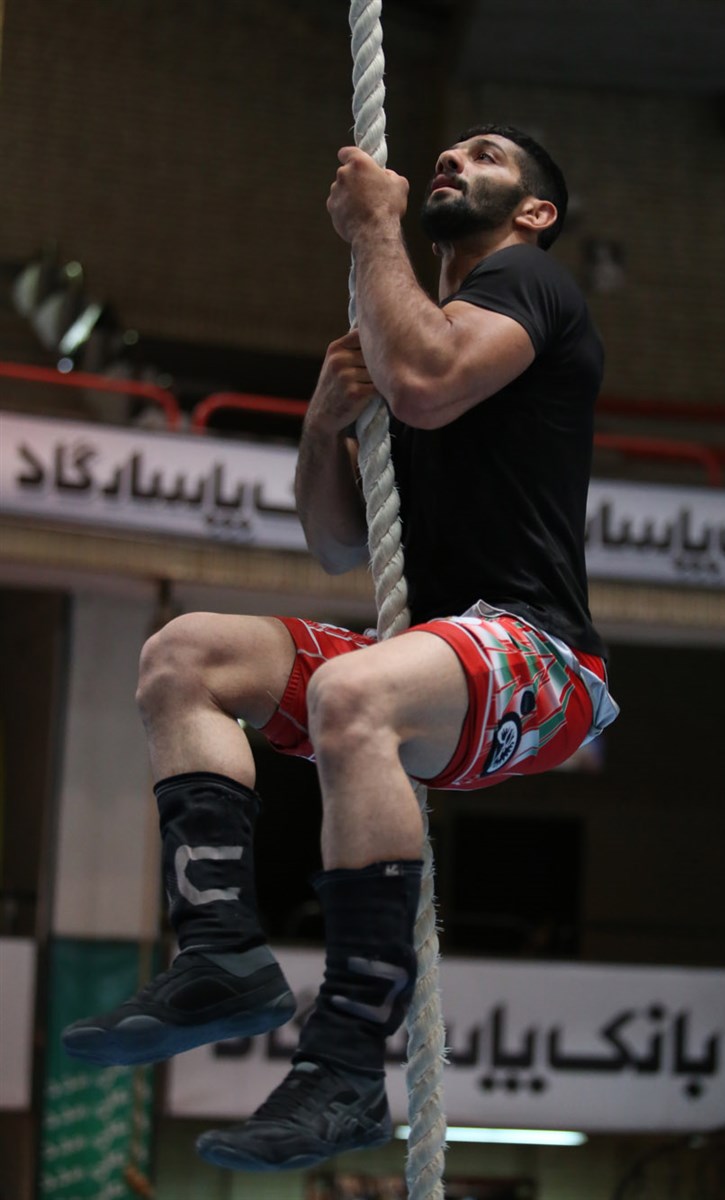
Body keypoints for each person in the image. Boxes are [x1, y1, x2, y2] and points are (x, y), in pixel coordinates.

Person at [62, 124, 619, 1171]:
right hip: (426, 658)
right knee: (185, 654)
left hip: (541, 664)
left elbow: (428, 381)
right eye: (450, 153)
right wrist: (321, 427)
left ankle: (348, 1067)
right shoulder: (404, 333)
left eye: (485, 157)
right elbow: (332, 542)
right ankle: (220, 954)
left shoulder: (528, 284)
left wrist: (372, 230)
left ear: (534, 213)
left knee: (351, 695)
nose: (452, 162)